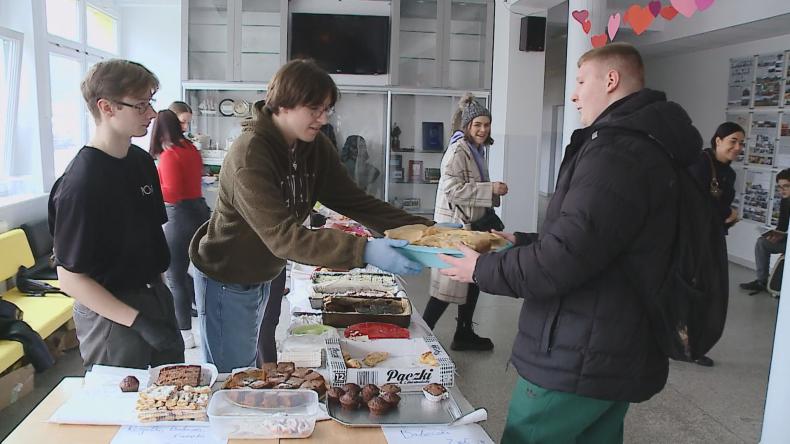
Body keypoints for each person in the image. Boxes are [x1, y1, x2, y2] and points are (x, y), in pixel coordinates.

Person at [440, 43, 703, 443]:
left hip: (579, 352)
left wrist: (482, 269)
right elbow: (602, 240)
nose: (575, 94)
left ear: (611, 80)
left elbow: (564, 258)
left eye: (581, 81)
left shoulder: (616, 151)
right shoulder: (649, 144)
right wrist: (523, 240)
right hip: (615, 348)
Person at [189, 59, 438, 372]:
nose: (323, 118)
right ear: (283, 104)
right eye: (315, 109)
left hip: (263, 269)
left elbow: (356, 201)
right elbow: (284, 236)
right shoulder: (250, 154)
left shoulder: (312, 146)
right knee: (231, 374)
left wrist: (430, 231)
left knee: (250, 364)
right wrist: (364, 250)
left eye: (327, 109)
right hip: (227, 275)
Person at [49, 59, 184, 369]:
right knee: (119, 404)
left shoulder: (141, 161)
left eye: (150, 103)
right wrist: (139, 322)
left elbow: (149, 240)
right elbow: (70, 278)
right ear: (106, 108)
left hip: (154, 297)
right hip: (111, 314)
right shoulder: (81, 184)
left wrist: (161, 303)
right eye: (139, 106)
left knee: (172, 399)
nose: (151, 114)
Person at [422, 93, 508, 351]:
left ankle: (464, 332)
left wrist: (489, 192)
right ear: (467, 126)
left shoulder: (475, 150)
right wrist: (489, 188)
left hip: (471, 227)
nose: (483, 129)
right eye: (477, 125)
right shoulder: (458, 150)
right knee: (445, 288)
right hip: (456, 228)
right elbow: (451, 189)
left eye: (486, 124)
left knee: (473, 279)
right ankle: (422, 336)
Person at [149, 109, 211, 350]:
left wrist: (150, 187)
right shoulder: (191, 149)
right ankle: (200, 318)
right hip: (199, 212)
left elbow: (172, 193)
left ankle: (185, 333)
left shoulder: (170, 155)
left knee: (174, 276)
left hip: (179, 216)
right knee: (191, 272)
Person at [686, 122, 744, 367]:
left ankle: (694, 345)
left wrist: (727, 218)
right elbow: (692, 205)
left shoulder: (729, 173)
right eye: (733, 141)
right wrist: (725, 213)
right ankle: (682, 344)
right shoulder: (699, 164)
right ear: (717, 140)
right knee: (691, 291)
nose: (738, 147)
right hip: (691, 242)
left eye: (741, 143)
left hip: (712, 240)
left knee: (711, 293)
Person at [741, 169, 790, 294]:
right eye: (780, 187)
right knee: (762, 242)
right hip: (786, 242)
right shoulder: (785, 201)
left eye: (786, 186)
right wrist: (776, 234)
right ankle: (761, 281)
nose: (782, 190)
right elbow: (783, 226)